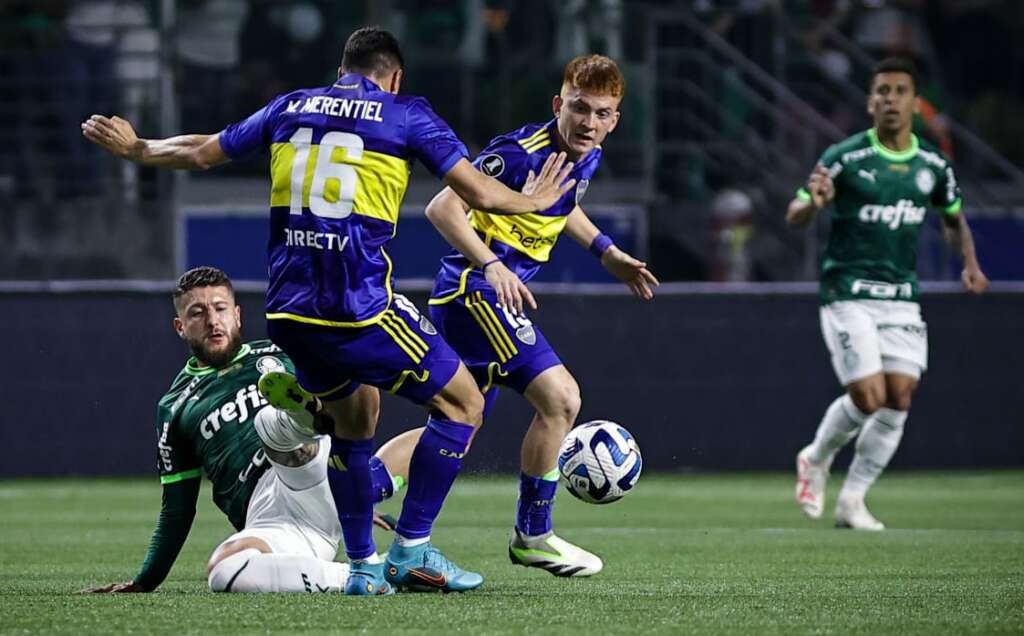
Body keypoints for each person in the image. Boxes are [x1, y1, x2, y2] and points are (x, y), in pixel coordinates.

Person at [82, 26, 575, 595]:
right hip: (359, 306)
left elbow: (200, 150)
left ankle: (363, 566)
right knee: (464, 405)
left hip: (288, 312)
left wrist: (139, 148)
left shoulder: (290, 106)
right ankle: (411, 548)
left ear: (342, 69)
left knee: (355, 421)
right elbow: (481, 195)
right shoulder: (406, 113)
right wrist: (535, 201)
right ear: (394, 76)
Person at [424, 54, 658, 576]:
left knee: (456, 419)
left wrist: (606, 252)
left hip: (485, 294)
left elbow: (562, 202)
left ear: (615, 119)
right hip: (474, 291)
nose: (588, 123)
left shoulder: (586, 153)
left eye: (602, 113)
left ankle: (356, 488)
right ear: (559, 104)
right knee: (561, 397)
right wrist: (490, 265)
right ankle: (533, 534)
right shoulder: (516, 153)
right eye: (579, 109)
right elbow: (442, 208)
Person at [82, 267, 418, 594]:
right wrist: (145, 581)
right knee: (225, 571)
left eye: (220, 308)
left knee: (270, 423)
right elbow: (177, 509)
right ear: (180, 326)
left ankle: (324, 439)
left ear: (237, 315)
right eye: (197, 313)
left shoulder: (277, 353)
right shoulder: (174, 407)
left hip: (309, 465)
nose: (213, 321)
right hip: (275, 521)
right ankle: (371, 572)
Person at [786, 57, 988, 531]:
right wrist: (811, 206)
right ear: (869, 102)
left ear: (915, 103)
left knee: (900, 397)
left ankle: (853, 500)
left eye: (900, 91)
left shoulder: (934, 166)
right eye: (882, 91)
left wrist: (971, 265)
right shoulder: (846, 157)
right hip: (848, 291)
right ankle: (815, 458)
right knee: (869, 395)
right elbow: (796, 210)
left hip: (901, 295)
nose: (891, 100)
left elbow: (953, 221)